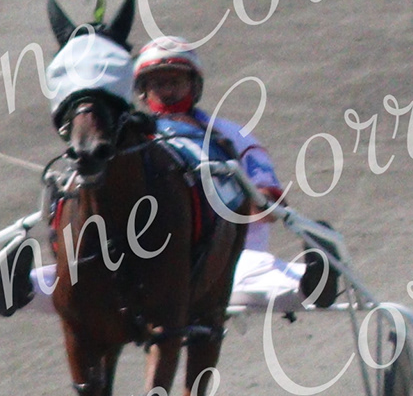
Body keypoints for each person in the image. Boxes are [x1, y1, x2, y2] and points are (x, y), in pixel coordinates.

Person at [131, 36, 311, 314]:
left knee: (254, 271)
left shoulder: (230, 136)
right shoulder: (129, 143)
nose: (167, 91)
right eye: (157, 83)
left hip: (228, 257)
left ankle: (314, 280)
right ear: (143, 91)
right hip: (152, 260)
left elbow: (270, 208)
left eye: (175, 81)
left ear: (194, 85)